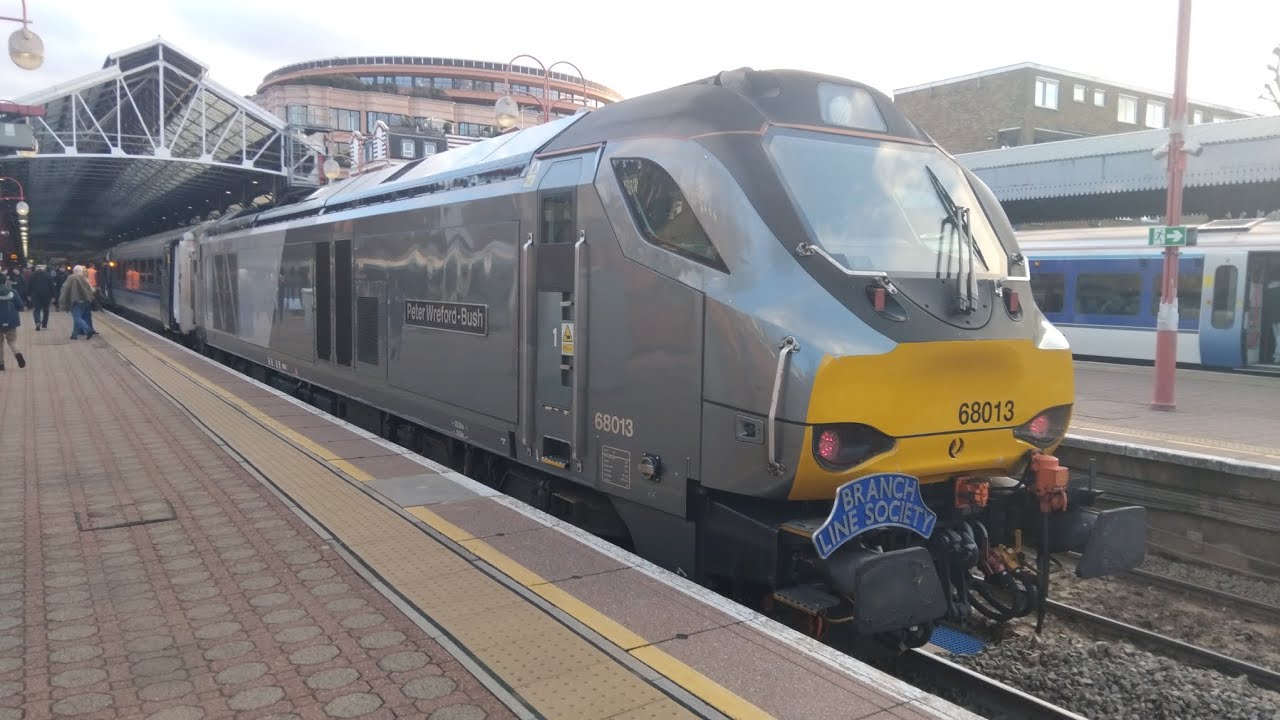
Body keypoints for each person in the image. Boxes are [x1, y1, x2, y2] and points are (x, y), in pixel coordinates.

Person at [57, 264, 96, 340]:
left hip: (75, 301)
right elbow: (91, 289)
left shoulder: (71, 278)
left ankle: (88, 330)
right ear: (81, 271)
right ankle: (74, 335)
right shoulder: (85, 278)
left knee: (77, 318)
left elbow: (65, 289)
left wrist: (62, 300)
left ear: (74, 271)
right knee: (78, 318)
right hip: (85, 301)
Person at [0, 277, 26, 370]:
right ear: (6, 281)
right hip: (11, 320)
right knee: (12, 340)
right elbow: (21, 306)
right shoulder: (13, 292)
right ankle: (17, 353)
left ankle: (1, 364)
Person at [26, 264, 54, 331]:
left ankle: (38, 321)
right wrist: (53, 296)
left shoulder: (32, 275)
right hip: (46, 295)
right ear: (43, 268)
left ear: (36, 268)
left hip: (35, 295)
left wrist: (28, 295)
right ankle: (44, 325)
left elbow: (29, 285)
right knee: (46, 310)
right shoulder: (47, 275)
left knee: (36, 310)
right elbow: (52, 286)